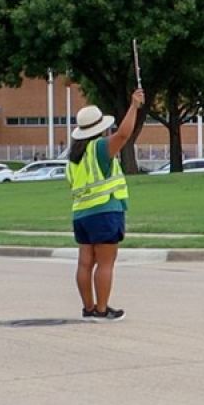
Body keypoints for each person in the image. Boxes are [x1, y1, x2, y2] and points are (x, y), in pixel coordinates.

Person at [67, 89, 144, 322]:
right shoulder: (100, 148)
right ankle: (102, 309)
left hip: (81, 214)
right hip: (104, 211)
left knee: (85, 263)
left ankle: (88, 307)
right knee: (106, 263)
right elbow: (123, 134)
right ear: (99, 128)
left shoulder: (73, 158)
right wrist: (134, 106)